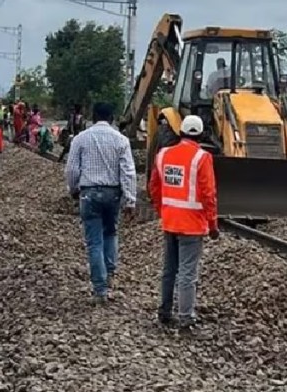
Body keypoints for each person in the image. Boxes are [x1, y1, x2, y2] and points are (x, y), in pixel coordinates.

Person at [147, 114, 219, 332]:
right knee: (188, 272)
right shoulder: (202, 158)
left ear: (181, 132)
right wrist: (213, 224)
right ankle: (185, 317)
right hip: (192, 225)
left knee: (169, 269)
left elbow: (154, 187)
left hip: (170, 222)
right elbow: (208, 194)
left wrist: (163, 211)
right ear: (200, 134)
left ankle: (165, 311)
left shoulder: (163, 154)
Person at [64, 102, 137, 305]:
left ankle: (100, 289)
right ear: (112, 118)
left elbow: (71, 170)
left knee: (94, 241)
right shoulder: (121, 140)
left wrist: (73, 189)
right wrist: (130, 200)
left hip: (89, 193)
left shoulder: (81, 139)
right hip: (113, 193)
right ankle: (109, 272)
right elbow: (128, 172)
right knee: (111, 232)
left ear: (93, 117)